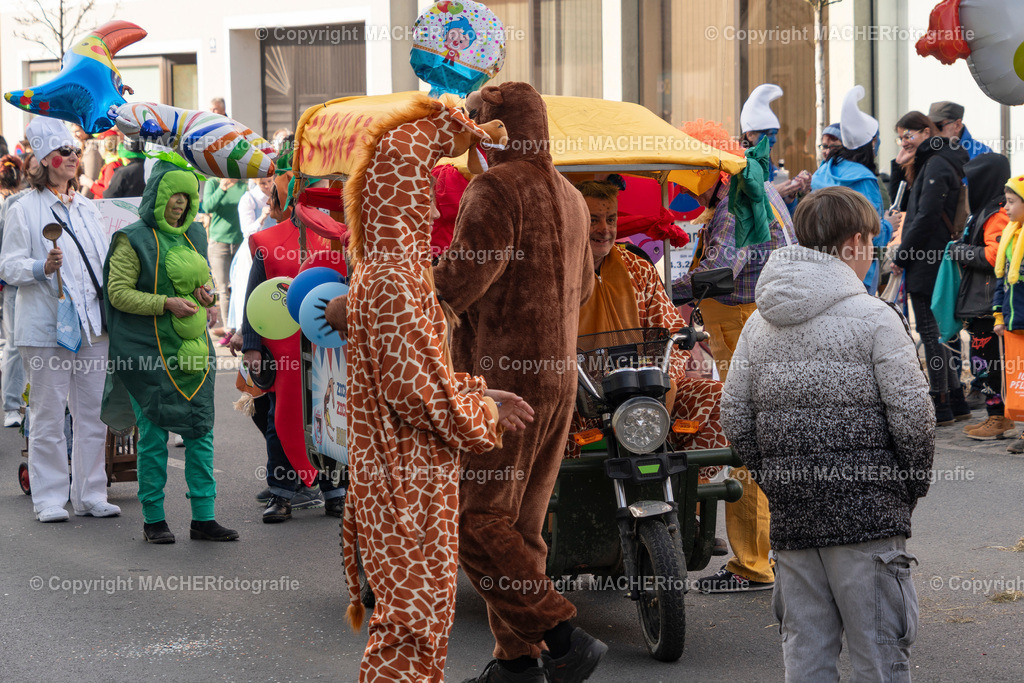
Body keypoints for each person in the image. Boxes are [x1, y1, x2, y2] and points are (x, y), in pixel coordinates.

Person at [722, 186, 934, 682]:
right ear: (857, 241)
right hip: (869, 516)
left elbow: (734, 412)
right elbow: (914, 416)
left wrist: (774, 475)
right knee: (878, 654)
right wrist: (908, 485)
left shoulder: (759, 323)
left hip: (794, 517)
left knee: (806, 653)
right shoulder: (876, 318)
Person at [432, 82, 603, 683]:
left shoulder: (496, 187)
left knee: (473, 520)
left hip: (502, 383)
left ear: (493, 129)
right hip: (557, 379)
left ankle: (560, 634)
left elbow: (459, 282)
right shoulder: (573, 197)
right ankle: (516, 660)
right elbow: (584, 287)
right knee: (520, 526)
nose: (468, 137)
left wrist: (396, 290)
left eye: (475, 124)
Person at [673, 118, 792, 593]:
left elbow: (721, 270)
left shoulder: (734, 206)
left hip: (744, 321)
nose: (685, 187)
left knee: (744, 441)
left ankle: (751, 565)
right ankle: (775, 552)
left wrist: (664, 287)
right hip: (753, 322)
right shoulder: (751, 188)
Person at [103, 160, 237, 543]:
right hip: (150, 354)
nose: (180, 203)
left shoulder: (195, 233)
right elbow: (118, 293)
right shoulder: (133, 239)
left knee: (200, 431)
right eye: (173, 195)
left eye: (187, 196)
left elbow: (204, 280)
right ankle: (154, 519)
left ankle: (204, 518)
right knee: (153, 436)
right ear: (156, 195)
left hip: (194, 353)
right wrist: (166, 303)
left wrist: (206, 295)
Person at [0, 116, 120, 522]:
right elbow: (8, 266)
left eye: (75, 150)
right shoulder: (23, 209)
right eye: (64, 152)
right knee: (48, 414)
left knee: (91, 414)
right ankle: (49, 498)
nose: (72, 156)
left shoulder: (87, 209)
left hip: (90, 327)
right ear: (46, 160)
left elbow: (101, 265)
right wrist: (41, 268)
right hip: (47, 326)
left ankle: (91, 494)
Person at [239, 170, 347, 522]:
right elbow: (254, 295)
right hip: (281, 347)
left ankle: (336, 492)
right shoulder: (266, 240)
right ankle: (282, 494)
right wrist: (252, 346)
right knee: (280, 417)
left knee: (332, 415)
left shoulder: (338, 239)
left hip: (328, 345)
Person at [890, 111, 971, 424]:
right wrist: (900, 165)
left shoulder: (936, 162)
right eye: (900, 137)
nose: (904, 142)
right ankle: (956, 400)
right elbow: (906, 203)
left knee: (930, 329)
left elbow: (924, 215)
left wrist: (902, 256)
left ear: (925, 131)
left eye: (907, 135)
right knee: (940, 330)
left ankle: (941, 403)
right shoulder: (936, 159)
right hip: (934, 255)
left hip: (928, 256)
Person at [811, 86, 893, 294]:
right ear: (871, 143)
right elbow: (871, 234)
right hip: (858, 274)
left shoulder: (821, 173)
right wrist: (889, 225)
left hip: (820, 269)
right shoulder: (864, 179)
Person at [992, 173, 1024, 453]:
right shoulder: (1011, 238)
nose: (1006, 208)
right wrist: (999, 317)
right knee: (1019, 380)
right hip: (1014, 324)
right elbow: (1001, 281)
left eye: (1012, 202)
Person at [739, 84, 811, 210]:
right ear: (750, 135)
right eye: (768, 134)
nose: (774, 140)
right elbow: (735, 208)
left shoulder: (770, 167)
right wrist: (772, 194)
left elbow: (783, 216)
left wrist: (790, 196)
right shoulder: (734, 166)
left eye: (775, 134)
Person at [225, 176, 276, 333]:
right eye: (262, 183)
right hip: (252, 250)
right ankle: (246, 331)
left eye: (269, 181)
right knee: (248, 289)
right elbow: (247, 231)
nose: (267, 186)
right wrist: (262, 217)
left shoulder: (278, 193)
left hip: (275, 249)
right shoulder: (249, 199)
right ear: (255, 181)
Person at [0, 154, 27, 426]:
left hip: (52, 286)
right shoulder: (13, 203)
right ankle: (11, 405)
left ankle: (32, 403)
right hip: (15, 285)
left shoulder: (74, 200)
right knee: (15, 344)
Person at [201, 176, 245, 338]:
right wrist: (222, 188)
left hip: (241, 242)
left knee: (240, 286)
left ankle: (241, 327)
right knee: (223, 287)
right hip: (219, 242)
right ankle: (228, 330)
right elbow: (207, 206)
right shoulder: (213, 182)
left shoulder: (244, 184)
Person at [929, 101, 993, 161]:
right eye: (930, 127)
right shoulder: (925, 151)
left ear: (957, 125)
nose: (934, 132)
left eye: (938, 126)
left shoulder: (983, 153)